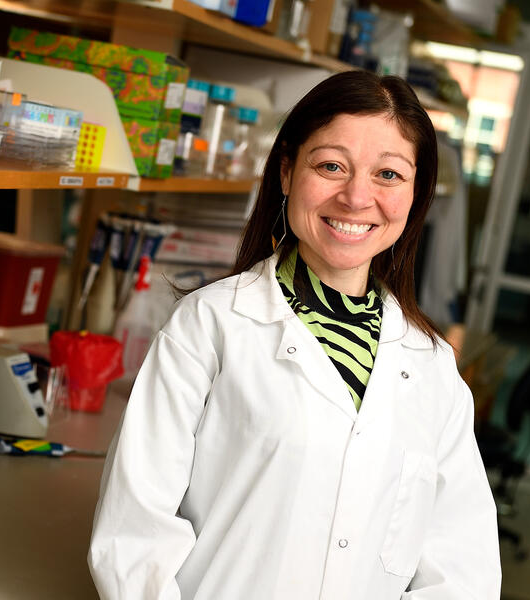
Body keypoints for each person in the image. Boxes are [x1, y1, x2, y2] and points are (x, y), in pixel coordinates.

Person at [88, 71, 500, 599]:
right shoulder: (210, 326)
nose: (356, 197)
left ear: (416, 194)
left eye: (388, 175)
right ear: (286, 172)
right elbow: (132, 536)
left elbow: (463, 568)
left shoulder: (432, 367)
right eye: (331, 166)